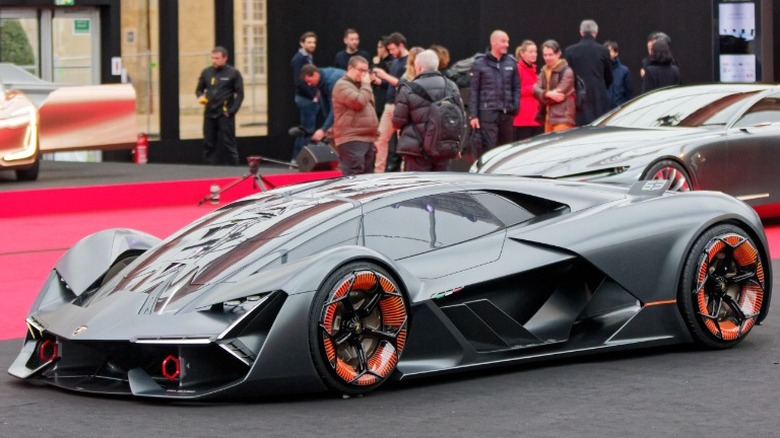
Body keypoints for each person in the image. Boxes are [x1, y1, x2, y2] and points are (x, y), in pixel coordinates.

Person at [393, 49, 465, 171]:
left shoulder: (408, 89)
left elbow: (397, 122)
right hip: (444, 148)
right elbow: (461, 119)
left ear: (419, 67)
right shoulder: (451, 87)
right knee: (440, 187)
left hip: (417, 151)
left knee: (419, 188)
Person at [468, 30, 520, 152]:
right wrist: (473, 115)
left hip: (507, 114)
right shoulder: (479, 64)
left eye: (508, 41)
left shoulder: (511, 63)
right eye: (503, 41)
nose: (507, 44)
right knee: (489, 150)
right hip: (487, 113)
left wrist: (515, 106)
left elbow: (516, 87)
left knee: (506, 150)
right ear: (493, 42)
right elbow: (474, 91)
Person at [195, 46, 244, 165]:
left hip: (224, 113)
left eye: (217, 58)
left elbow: (240, 94)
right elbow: (199, 90)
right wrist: (200, 96)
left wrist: (231, 111)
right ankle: (209, 168)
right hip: (209, 113)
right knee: (208, 143)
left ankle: (233, 168)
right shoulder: (207, 72)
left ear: (225, 58)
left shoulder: (233, 73)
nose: (214, 61)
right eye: (213, 58)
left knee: (229, 143)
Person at [332, 56, 377, 176]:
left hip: (367, 138)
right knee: (354, 177)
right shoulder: (341, 85)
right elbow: (359, 102)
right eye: (361, 70)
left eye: (366, 71)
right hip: (352, 138)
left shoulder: (361, 86)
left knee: (367, 179)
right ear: (350, 68)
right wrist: (367, 85)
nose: (363, 74)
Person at [371, 32, 409, 173]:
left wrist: (385, 76)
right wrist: (379, 81)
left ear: (401, 45)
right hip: (390, 105)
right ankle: (378, 173)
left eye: (393, 49)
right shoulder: (395, 62)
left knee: (404, 143)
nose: (391, 52)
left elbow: (405, 84)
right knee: (380, 140)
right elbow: (391, 85)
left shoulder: (409, 61)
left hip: (402, 106)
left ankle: (405, 174)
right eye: (389, 50)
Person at [564, 19, 612, 125]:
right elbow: (609, 77)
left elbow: (568, 77)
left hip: (578, 98)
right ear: (595, 32)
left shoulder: (569, 51)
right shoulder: (603, 51)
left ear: (581, 32)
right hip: (599, 96)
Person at [534, 40, 575, 133]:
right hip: (548, 118)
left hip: (563, 119)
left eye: (550, 54)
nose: (547, 58)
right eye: (545, 55)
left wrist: (542, 95)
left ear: (558, 54)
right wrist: (547, 93)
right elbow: (535, 91)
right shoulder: (543, 71)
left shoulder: (567, 71)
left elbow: (558, 96)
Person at [299, 64, 347, 143]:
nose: (309, 85)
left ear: (315, 74)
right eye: (306, 83)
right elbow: (325, 106)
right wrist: (328, 127)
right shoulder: (321, 80)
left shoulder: (331, 81)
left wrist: (323, 129)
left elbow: (335, 108)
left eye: (309, 81)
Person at [290, 31, 318, 162]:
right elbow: (299, 81)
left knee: (307, 130)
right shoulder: (299, 59)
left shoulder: (308, 57)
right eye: (309, 42)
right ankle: (297, 159)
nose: (312, 45)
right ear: (302, 43)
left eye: (314, 42)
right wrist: (312, 95)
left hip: (308, 97)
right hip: (305, 98)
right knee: (306, 130)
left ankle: (300, 159)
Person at [513, 40, 543, 141]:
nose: (534, 54)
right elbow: (515, 90)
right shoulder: (518, 68)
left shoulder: (533, 68)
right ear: (522, 53)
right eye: (531, 52)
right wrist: (533, 88)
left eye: (535, 52)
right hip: (523, 117)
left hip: (534, 116)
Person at [604, 40, 633, 108]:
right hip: (604, 112)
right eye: (605, 51)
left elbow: (629, 94)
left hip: (619, 111)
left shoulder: (624, 71)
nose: (608, 54)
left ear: (616, 53)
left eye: (610, 51)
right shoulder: (600, 70)